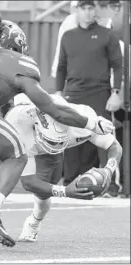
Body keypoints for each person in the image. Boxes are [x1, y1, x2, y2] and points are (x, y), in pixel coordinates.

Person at [0, 18, 114, 248]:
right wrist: (91, 122)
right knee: (16, 153)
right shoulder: (16, 61)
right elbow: (53, 109)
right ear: (16, 46)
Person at [0, 93, 122, 242]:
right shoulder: (20, 126)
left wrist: (109, 169)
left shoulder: (84, 121)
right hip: (23, 130)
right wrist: (65, 192)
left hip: (43, 136)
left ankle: (33, 223)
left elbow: (114, 146)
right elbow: (28, 182)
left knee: (44, 194)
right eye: (52, 141)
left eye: (59, 142)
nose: (55, 146)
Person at [55, 0, 123, 190]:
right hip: (73, 95)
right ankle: (71, 182)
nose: (87, 12)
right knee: (70, 139)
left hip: (100, 93)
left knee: (105, 139)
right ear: (77, 11)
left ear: (95, 10)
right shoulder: (68, 36)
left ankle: (111, 186)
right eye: (83, 8)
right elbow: (61, 67)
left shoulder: (108, 35)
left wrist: (115, 93)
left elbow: (118, 66)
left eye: (90, 8)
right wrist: (59, 93)